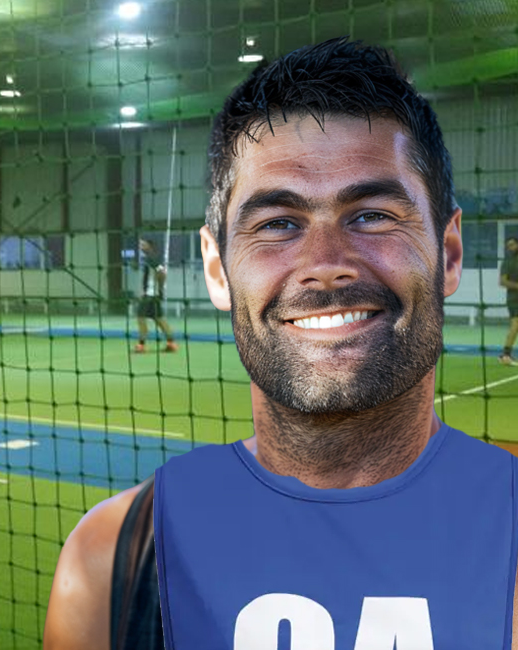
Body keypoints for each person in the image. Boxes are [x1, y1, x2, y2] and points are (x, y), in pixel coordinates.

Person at [44, 37, 518, 649]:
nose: (326, 266)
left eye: (371, 214)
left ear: (448, 253)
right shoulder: (114, 559)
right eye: (277, 224)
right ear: (217, 269)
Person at [132, 238, 178, 353]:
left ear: (150, 245)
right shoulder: (152, 258)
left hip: (149, 296)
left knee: (140, 318)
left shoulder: (151, 259)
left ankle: (141, 345)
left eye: (143, 244)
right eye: (140, 244)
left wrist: (159, 289)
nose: (141, 246)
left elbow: (162, 273)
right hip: (154, 295)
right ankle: (171, 343)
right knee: (159, 319)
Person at [499, 236, 518, 365]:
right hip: (514, 299)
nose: (510, 248)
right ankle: (505, 355)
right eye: (508, 246)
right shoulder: (507, 262)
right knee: (515, 325)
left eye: (512, 245)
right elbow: (502, 281)